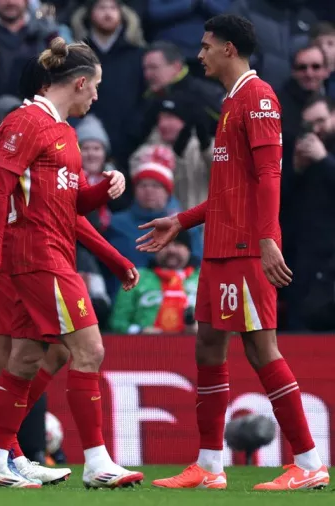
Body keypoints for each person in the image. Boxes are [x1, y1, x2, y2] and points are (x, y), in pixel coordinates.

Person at [0, 38, 141, 489]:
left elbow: (70, 208)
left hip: (50, 252)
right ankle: (98, 460)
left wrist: (104, 193)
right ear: (80, 82)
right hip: (36, 257)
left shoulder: (63, 132)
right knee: (88, 350)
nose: (97, 97)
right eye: (96, 87)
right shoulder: (24, 123)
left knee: (25, 360)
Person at [141, 15, 330, 491]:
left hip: (247, 249)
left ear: (229, 48)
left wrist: (267, 239)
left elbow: (270, 177)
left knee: (261, 348)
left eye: (206, 47)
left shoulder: (259, 98)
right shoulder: (230, 102)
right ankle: (208, 464)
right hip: (220, 247)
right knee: (207, 344)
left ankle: (309, 463)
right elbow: (231, 190)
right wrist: (181, 221)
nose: (199, 54)